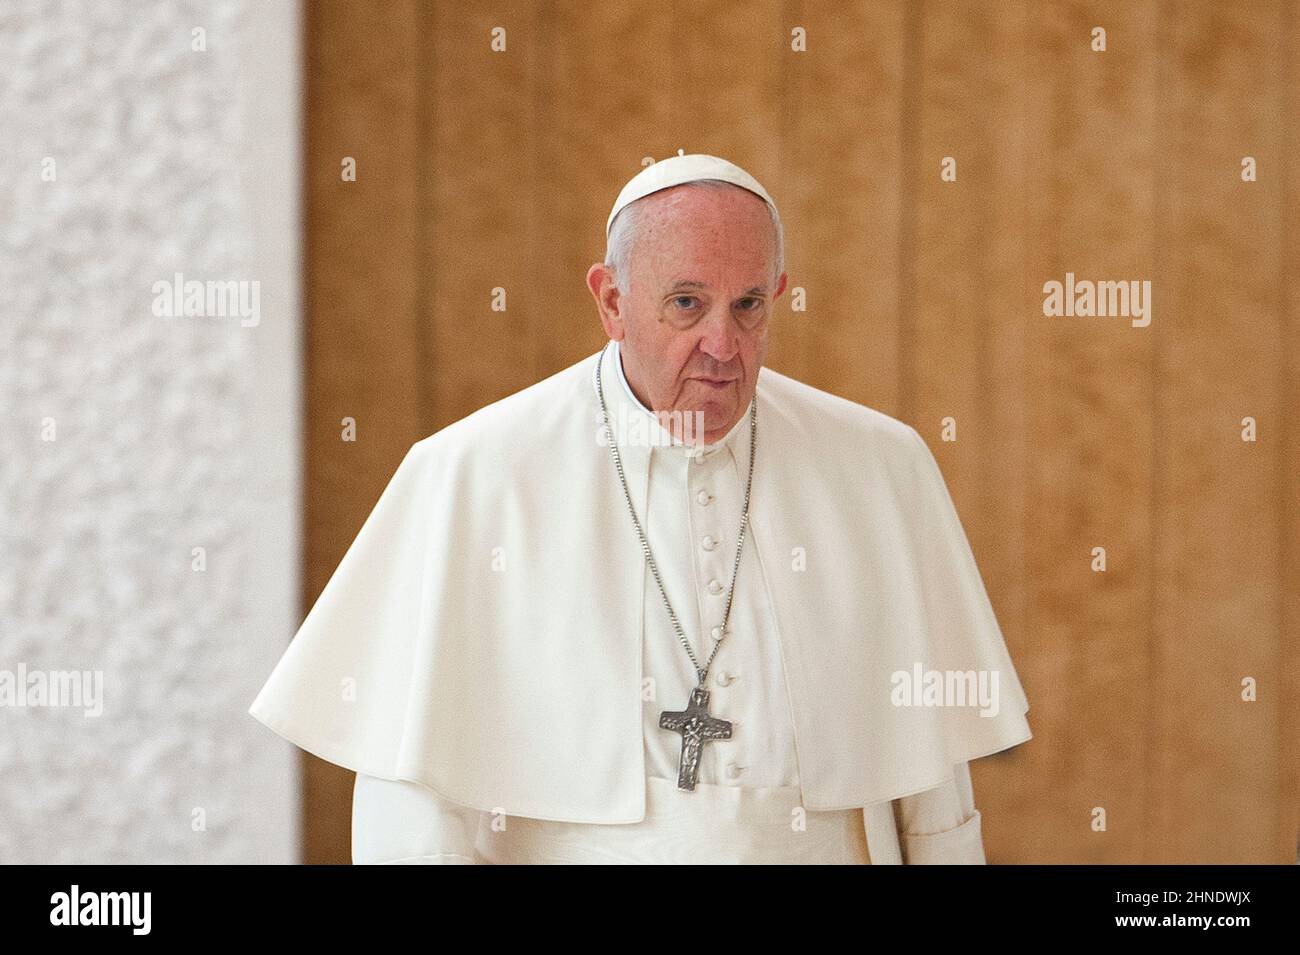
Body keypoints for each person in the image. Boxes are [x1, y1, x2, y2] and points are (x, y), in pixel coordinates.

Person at [249, 152, 1032, 864]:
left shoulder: (877, 469)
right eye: (687, 304)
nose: (724, 345)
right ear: (612, 300)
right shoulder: (474, 476)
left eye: (749, 305)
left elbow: (933, 780)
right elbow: (411, 799)